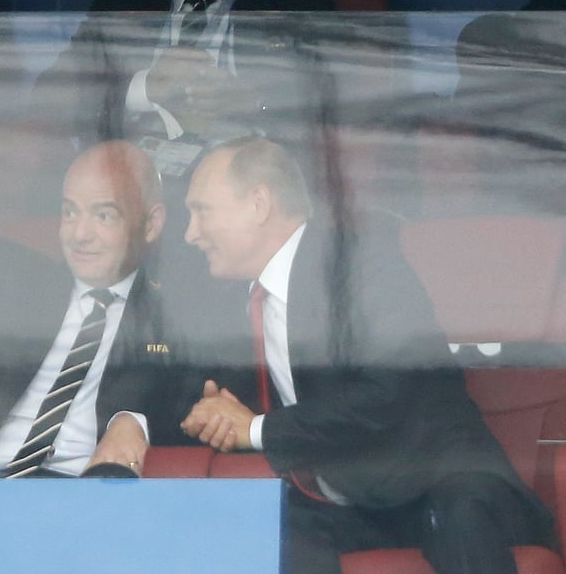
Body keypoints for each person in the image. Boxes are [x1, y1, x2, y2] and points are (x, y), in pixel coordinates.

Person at [178, 136, 553, 574]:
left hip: (433, 481)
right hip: (339, 500)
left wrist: (258, 429)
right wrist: (200, 414)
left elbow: (386, 395)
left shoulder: (360, 264)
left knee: (461, 514)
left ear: (259, 205)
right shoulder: (230, 299)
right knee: (263, 530)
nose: (190, 234)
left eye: (201, 211)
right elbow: (198, 392)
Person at [0, 140, 201, 477]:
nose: (80, 234)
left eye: (104, 215)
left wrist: (131, 421)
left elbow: (187, 399)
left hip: (78, 496)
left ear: (151, 224)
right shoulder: (18, 285)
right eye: (70, 212)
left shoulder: (170, 314)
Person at [35, 0, 331, 176]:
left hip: (251, 186)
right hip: (133, 187)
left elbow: (339, 101)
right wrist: (145, 88)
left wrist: (251, 102)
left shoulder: (297, 4)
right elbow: (51, 96)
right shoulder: (120, 9)